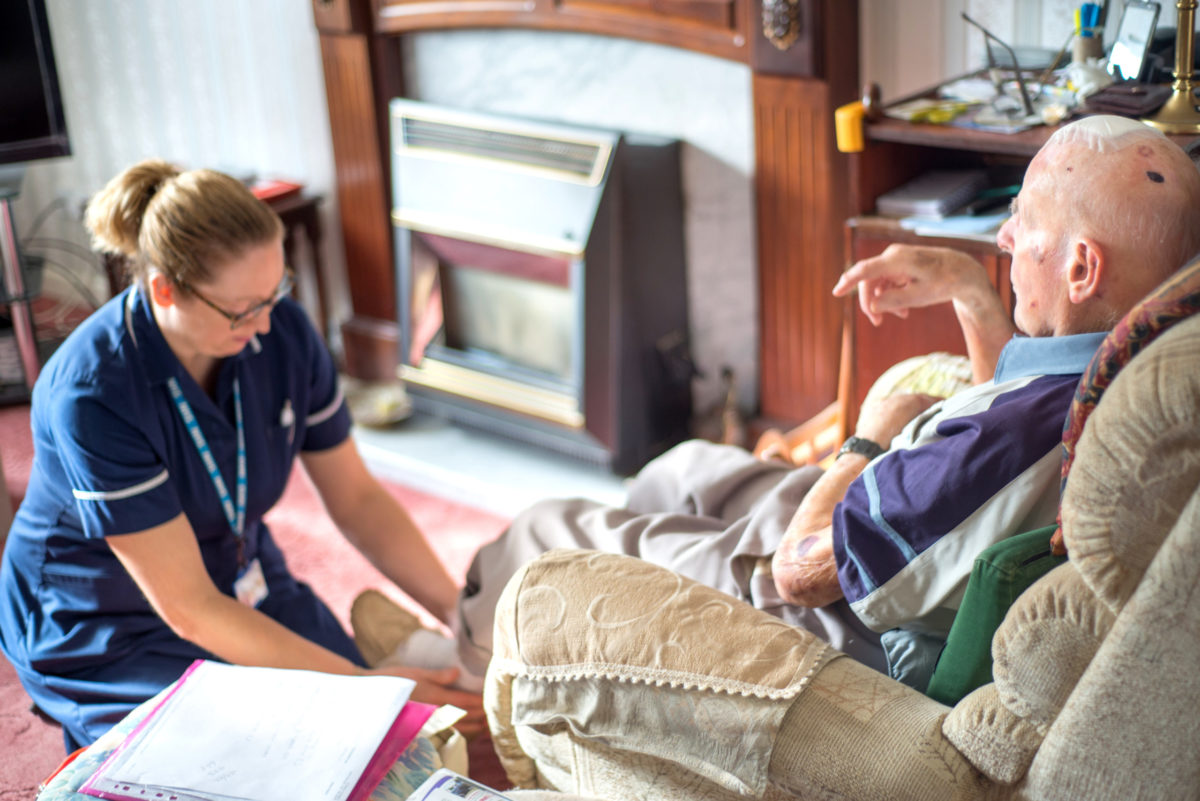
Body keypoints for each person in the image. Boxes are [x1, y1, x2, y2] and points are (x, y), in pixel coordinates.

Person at [337, 114, 1200, 694]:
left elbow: (803, 570)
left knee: (546, 530)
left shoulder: (1005, 440)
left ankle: (456, 655)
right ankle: (508, 623)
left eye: (1022, 219)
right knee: (677, 469)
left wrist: (865, 436)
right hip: (892, 526)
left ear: (1083, 269)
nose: (1006, 236)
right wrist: (974, 295)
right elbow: (996, 422)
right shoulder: (1127, 360)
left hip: (829, 612)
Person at [0, 159, 484, 751]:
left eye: (274, 292)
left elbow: (357, 500)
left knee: (365, 736)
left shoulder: (281, 330)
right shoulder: (93, 391)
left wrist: (463, 618)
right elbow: (189, 607)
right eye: (240, 310)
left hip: (239, 574)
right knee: (264, 753)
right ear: (164, 289)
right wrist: (365, 687)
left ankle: (399, 650)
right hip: (106, 620)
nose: (262, 326)